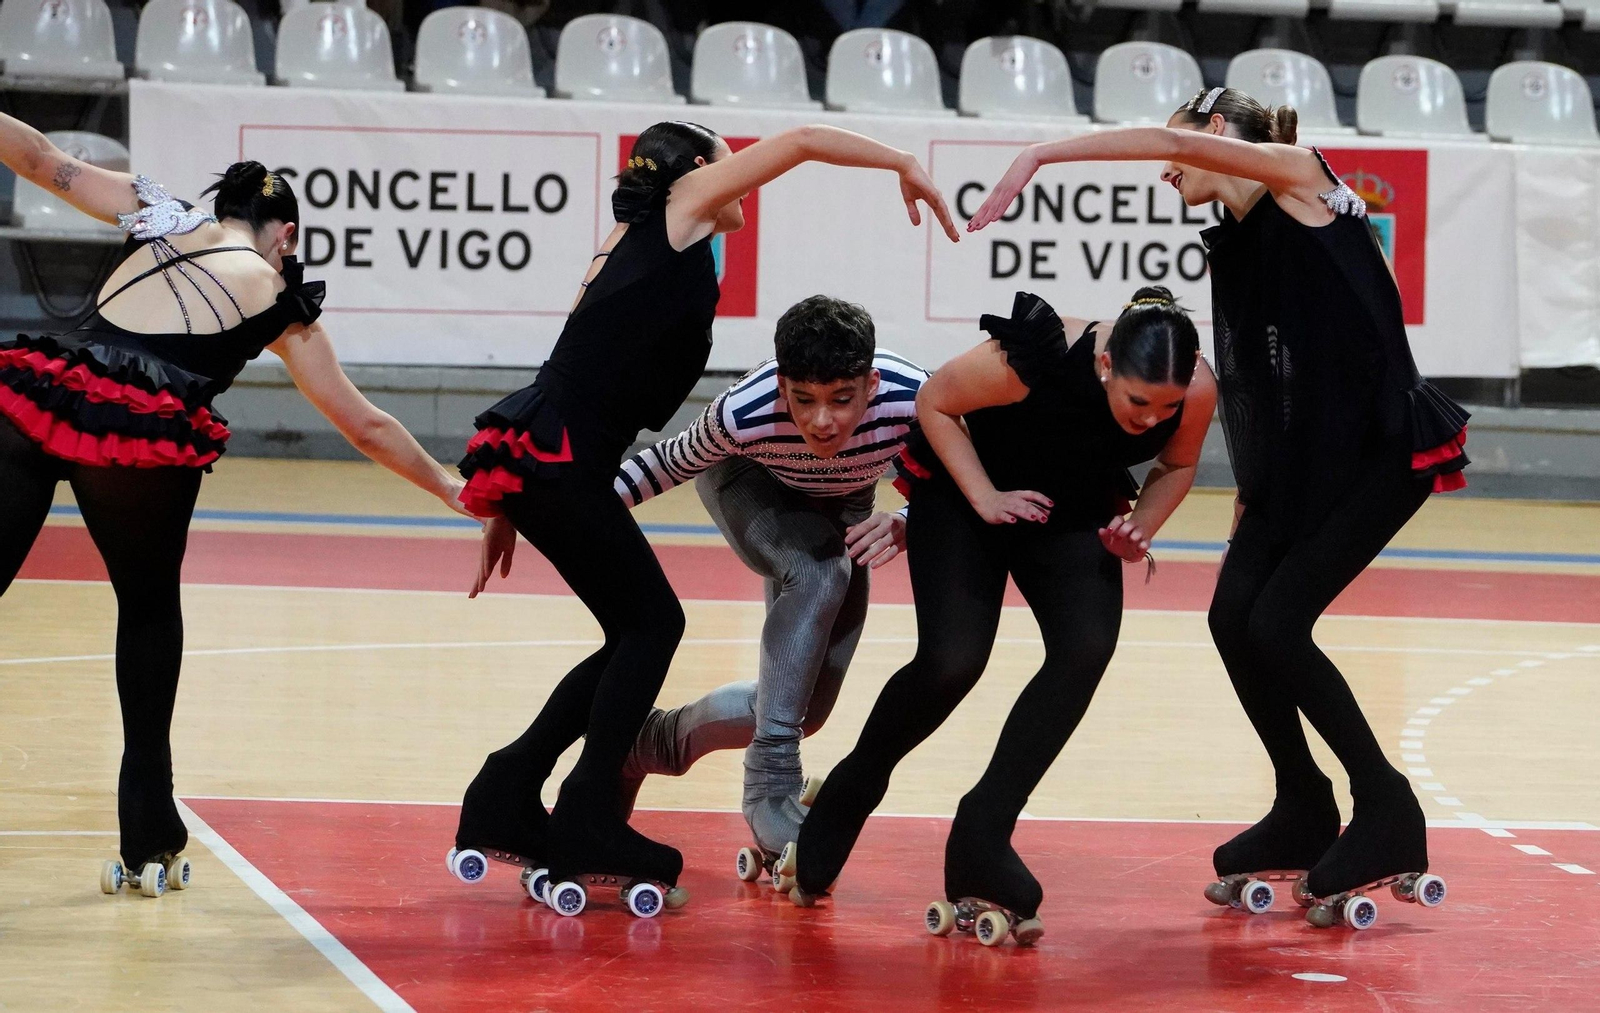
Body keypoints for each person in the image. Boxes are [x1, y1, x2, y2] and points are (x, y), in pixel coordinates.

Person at [969, 87, 1468, 922]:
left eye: (1177, 143)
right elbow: (1266, 374)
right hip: (1301, 466)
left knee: (1277, 623)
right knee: (1233, 618)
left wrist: (1037, 157)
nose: (1165, 167)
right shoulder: (1235, 239)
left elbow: (1146, 145)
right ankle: (1304, 802)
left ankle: (1388, 807)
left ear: (1210, 130)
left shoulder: (1296, 177)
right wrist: (1254, 486)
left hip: (1380, 453)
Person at [453, 121, 957, 910]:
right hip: (558, 457)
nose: (743, 180)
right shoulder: (678, 210)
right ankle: (583, 814)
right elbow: (799, 143)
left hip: (548, 456)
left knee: (640, 629)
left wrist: (512, 491)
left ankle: (507, 787)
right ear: (695, 171)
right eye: (730, 163)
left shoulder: (648, 239)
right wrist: (899, 159)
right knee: (652, 626)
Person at [0, 116, 470, 895]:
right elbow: (366, 425)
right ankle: (148, 836)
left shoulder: (161, 211)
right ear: (285, 231)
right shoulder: (281, 296)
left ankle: (152, 832)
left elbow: (40, 157)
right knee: (147, 613)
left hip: (41, 392)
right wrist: (451, 488)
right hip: (138, 433)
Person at [787, 287, 1215, 946]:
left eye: (1165, 405)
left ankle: (984, 830)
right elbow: (934, 402)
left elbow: (1177, 462)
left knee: (1085, 647)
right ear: (1105, 368)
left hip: (1069, 510)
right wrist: (984, 495)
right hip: (966, 499)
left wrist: (1142, 525)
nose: (1150, 416)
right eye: (1137, 402)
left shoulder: (1195, 387)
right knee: (953, 661)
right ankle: (851, 787)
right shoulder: (1035, 355)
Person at [608, 294, 925, 876]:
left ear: (873, 384)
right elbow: (661, 465)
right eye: (802, 401)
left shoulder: (915, 399)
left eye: (841, 400)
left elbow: (971, 474)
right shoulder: (742, 412)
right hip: (749, 482)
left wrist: (909, 520)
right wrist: (552, 511)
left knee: (804, 707)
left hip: (842, 503)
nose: (822, 420)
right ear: (781, 387)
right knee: (821, 569)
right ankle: (770, 784)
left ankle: (649, 744)